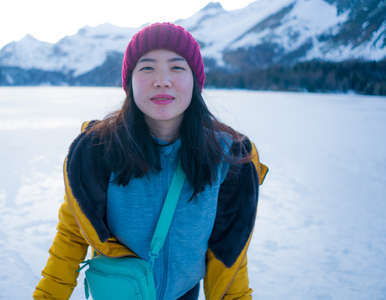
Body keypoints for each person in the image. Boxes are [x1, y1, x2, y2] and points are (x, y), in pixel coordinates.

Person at [33, 22, 268, 300]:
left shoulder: (229, 159)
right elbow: (72, 236)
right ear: (129, 82)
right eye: (147, 68)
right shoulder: (97, 150)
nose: (162, 80)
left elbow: (231, 253)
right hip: (121, 293)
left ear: (195, 80)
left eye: (177, 67)